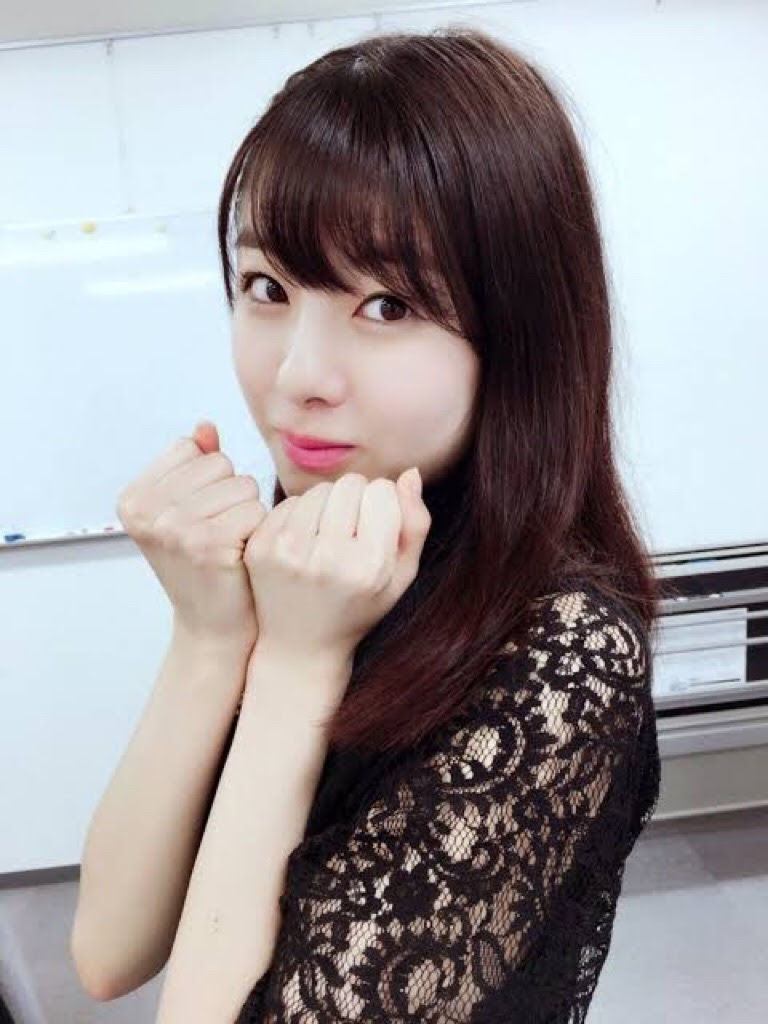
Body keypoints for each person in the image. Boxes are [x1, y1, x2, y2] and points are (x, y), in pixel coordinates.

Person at [71, 25, 661, 1022]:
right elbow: (104, 950)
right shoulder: (322, 553)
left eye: (386, 305)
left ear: (519, 334)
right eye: (267, 288)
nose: (297, 375)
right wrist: (209, 633)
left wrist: (299, 664)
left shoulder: (565, 647)